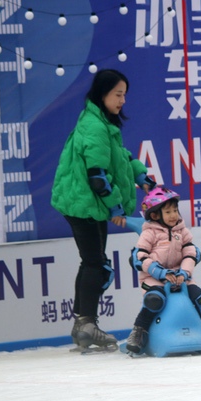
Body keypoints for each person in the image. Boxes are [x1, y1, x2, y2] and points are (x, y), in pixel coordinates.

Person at [52, 69, 155, 352]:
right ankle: (86, 324)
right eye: (117, 94)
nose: (122, 100)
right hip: (82, 202)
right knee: (96, 263)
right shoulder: (95, 126)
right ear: (103, 94)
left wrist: (142, 177)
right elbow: (97, 176)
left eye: (124, 95)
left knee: (93, 262)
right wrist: (116, 209)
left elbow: (121, 158)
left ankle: (83, 325)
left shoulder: (102, 122)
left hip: (87, 203)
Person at [126, 186, 201, 354]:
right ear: (155, 215)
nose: (173, 215)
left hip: (180, 277)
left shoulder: (182, 231)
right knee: (154, 300)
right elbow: (139, 257)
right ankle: (139, 332)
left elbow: (191, 253)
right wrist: (161, 273)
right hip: (153, 278)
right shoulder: (149, 233)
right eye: (168, 212)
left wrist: (184, 273)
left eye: (175, 210)